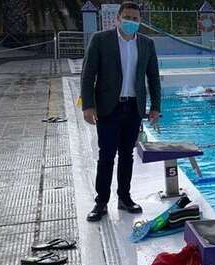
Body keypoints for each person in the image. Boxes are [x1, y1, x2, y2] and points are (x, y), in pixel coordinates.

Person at [80, 1, 161, 221]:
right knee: (106, 155)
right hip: (109, 107)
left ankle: (124, 198)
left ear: (140, 21)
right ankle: (101, 202)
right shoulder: (101, 40)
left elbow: (153, 77)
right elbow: (88, 74)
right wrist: (87, 105)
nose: (130, 22)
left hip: (133, 108)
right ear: (118, 18)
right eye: (127, 17)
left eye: (135, 19)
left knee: (127, 155)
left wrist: (155, 107)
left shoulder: (146, 43)